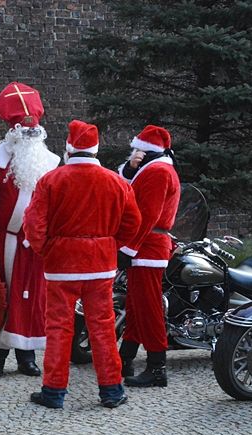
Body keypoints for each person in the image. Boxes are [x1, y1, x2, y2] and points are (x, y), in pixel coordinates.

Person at [23, 120, 142, 409]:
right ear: (95, 149)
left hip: (62, 263)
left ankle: (53, 391)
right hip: (100, 263)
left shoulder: (51, 180)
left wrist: (47, 250)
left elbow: (34, 225)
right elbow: (133, 222)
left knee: (59, 328)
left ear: (69, 148)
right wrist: (110, 244)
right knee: (102, 327)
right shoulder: (114, 181)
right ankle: (111, 390)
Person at [0, 81, 60, 378]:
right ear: (14, 132)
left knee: (32, 299)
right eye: (26, 130)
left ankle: (27, 356)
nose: (31, 134)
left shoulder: (49, 162)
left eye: (34, 130)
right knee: (2, 297)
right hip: (3, 241)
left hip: (34, 244)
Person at [116, 125, 181, 387]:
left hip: (147, 246)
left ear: (147, 150)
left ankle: (157, 367)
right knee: (136, 306)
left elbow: (147, 215)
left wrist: (127, 248)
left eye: (138, 149)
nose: (135, 152)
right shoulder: (156, 169)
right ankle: (125, 358)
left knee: (149, 308)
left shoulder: (158, 172)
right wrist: (130, 168)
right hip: (147, 245)